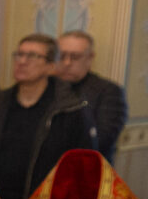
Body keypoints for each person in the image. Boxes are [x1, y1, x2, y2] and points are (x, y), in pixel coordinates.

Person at [0, 33, 93, 199]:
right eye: (19, 54)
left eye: (32, 56)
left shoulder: (70, 110)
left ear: (51, 66)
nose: (22, 61)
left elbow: (82, 170)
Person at [54, 30, 128, 161]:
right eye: (61, 56)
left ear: (90, 58)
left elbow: (100, 141)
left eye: (75, 57)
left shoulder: (108, 92)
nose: (67, 63)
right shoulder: (47, 85)